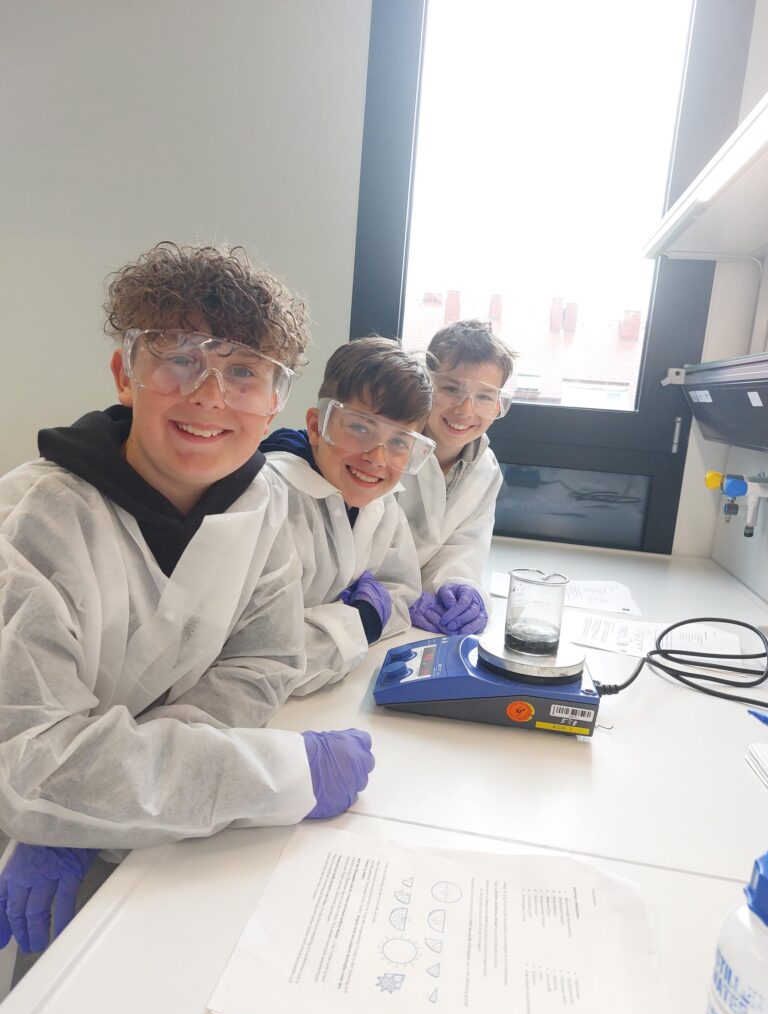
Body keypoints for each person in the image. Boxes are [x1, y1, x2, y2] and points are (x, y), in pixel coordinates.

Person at [0, 242, 374, 958]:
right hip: (24, 846)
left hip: (146, 835)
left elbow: (260, 665)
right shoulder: (33, 522)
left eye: (244, 371)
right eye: (178, 358)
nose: (209, 395)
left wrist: (101, 793)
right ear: (125, 374)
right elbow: (34, 766)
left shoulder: (262, 504)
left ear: (275, 401)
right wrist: (281, 775)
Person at [259, 338, 433, 693]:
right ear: (315, 426)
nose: (377, 458)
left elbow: (400, 594)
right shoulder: (271, 499)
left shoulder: (382, 502)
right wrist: (362, 621)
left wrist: (355, 620)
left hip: (336, 695)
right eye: (360, 427)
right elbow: (263, 656)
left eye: (400, 442)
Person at [399, 319, 515, 636]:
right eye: (451, 389)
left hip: (420, 625)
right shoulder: (390, 446)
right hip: (365, 608)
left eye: (485, 397)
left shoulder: (486, 469)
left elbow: (464, 546)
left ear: (499, 405)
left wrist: (460, 588)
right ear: (426, 384)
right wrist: (396, 595)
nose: (465, 410)